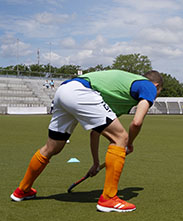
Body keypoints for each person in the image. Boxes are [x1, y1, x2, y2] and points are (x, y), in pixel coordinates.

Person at [10, 69, 164, 212]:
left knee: (52, 147)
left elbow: (95, 132)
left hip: (64, 90)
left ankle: (22, 190)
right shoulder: (148, 86)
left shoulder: (120, 94)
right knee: (120, 137)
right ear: (156, 86)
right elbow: (136, 122)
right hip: (81, 92)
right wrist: (128, 143)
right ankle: (109, 199)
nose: (154, 97)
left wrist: (96, 163)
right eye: (159, 93)